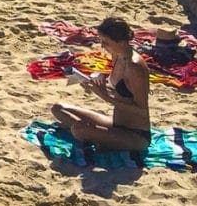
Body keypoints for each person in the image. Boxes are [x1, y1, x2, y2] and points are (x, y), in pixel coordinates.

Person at [50, 16, 151, 151]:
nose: (102, 46)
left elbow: (142, 111)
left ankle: (93, 136)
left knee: (79, 129)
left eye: (106, 42)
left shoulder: (134, 67)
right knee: (58, 108)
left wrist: (105, 97)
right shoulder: (118, 55)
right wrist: (98, 85)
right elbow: (123, 93)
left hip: (135, 135)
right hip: (116, 124)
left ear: (121, 42)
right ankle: (96, 136)